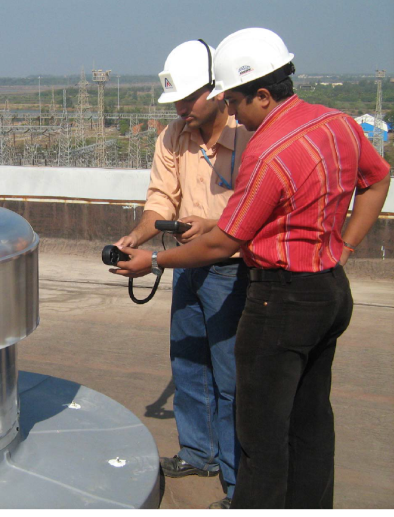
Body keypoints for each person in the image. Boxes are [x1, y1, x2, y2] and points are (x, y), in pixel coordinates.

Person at [111, 28, 391, 509]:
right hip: (325, 288)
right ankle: (243, 473)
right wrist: (343, 247)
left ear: (260, 94)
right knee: (306, 422)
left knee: (258, 424)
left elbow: (226, 240)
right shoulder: (336, 123)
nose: (234, 110)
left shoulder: (267, 147)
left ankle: (247, 497)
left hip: (272, 292)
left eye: (233, 100)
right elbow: (378, 177)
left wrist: (154, 259)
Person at [114, 39, 253, 509]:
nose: (180, 108)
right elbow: (161, 201)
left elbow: (255, 206)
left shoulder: (248, 133)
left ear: (216, 91)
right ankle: (199, 452)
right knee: (189, 361)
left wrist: (213, 225)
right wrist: (137, 239)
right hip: (185, 266)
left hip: (233, 270)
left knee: (231, 375)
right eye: (175, 100)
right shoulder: (174, 136)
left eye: (189, 98)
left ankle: (239, 481)